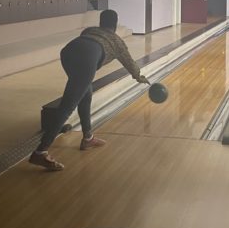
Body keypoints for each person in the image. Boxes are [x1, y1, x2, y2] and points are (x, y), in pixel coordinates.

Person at [29, 9, 149, 171]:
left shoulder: (90, 30)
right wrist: (139, 77)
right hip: (86, 59)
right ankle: (40, 151)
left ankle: (88, 138)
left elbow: (83, 44)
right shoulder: (117, 42)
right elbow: (130, 63)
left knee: (86, 94)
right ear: (115, 24)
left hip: (67, 53)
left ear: (101, 22)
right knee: (68, 106)